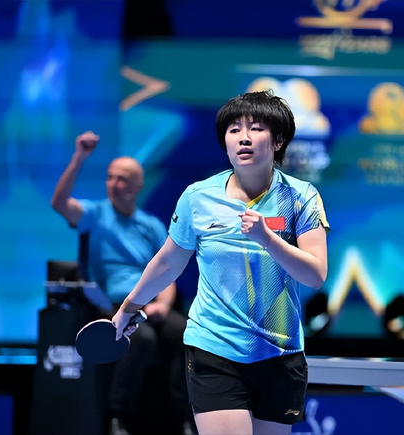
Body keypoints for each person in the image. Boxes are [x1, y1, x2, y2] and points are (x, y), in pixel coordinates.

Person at [111, 90, 330, 435]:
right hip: (214, 346)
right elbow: (168, 263)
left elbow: (315, 274)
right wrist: (129, 307)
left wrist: (268, 239)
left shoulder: (301, 197)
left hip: (280, 350)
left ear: (278, 141)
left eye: (256, 128)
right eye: (234, 129)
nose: (244, 137)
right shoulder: (198, 197)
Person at [51, 132, 189, 435]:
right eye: (110, 177)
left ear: (138, 186)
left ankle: (182, 419)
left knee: (185, 333)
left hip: (149, 303)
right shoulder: (94, 214)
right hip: (110, 305)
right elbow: (59, 203)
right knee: (142, 339)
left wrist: (163, 305)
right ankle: (117, 417)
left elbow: (168, 270)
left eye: (122, 179)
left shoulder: (151, 225)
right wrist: (79, 158)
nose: (114, 184)